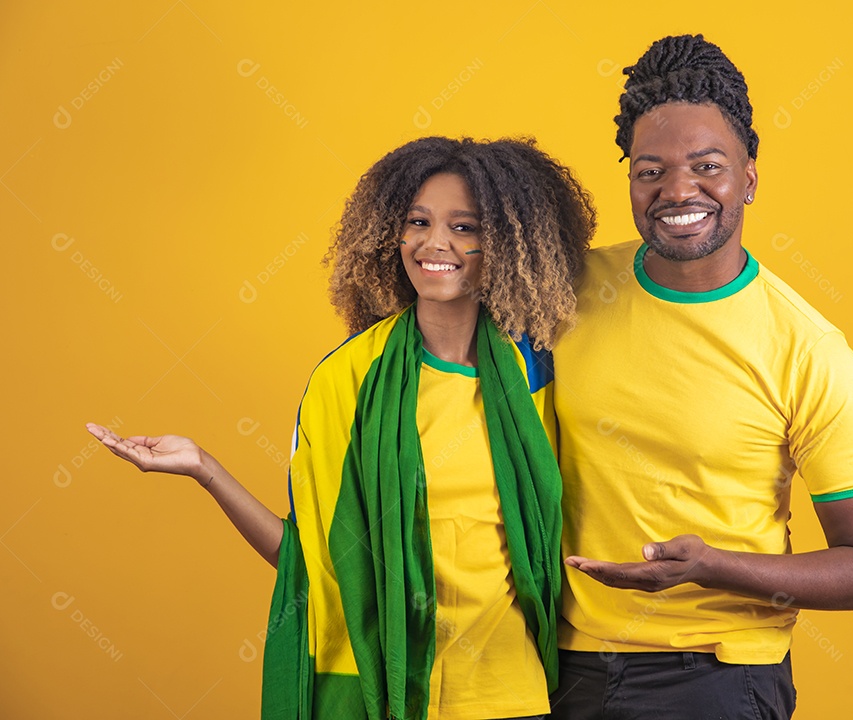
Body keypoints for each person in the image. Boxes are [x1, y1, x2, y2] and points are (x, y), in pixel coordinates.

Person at [87, 136, 596, 720]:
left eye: (465, 226)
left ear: (507, 242)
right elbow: (309, 560)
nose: (436, 243)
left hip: (513, 692)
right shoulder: (347, 381)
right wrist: (205, 469)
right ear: (390, 233)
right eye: (418, 222)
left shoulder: (540, 375)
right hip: (386, 694)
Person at [548, 35, 853, 720]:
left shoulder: (808, 349)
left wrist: (709, 565)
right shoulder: (570, 288)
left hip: (715, 676)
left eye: (706, 166)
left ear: (748, 177)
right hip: (557, 664)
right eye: (650, 171)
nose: (678, 190)